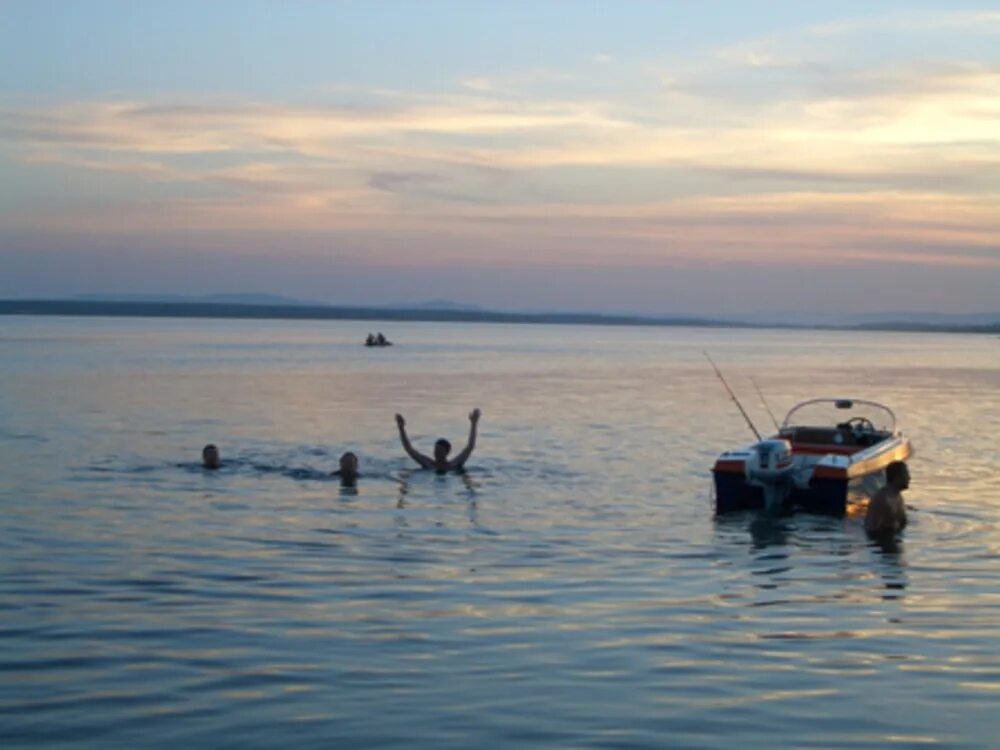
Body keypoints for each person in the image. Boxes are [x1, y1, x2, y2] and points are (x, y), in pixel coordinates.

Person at [395, 409, 481, 472]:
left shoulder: (454, 464)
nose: (436, 453)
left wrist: (474, 424)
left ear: (447, 452)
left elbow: (470, 447)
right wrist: (401, 428)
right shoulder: (428, 464)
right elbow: (409, 449)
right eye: (435, 450)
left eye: (439, 451)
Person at [865, 461, 909, 535]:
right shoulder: (883, 500)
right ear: (897, 477)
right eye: (906, 474)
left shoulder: (897, 496)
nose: (909, 478)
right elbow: (872, 529)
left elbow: (902, 522)